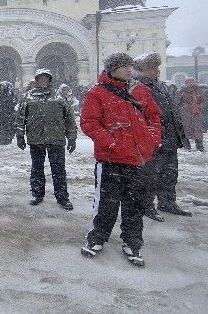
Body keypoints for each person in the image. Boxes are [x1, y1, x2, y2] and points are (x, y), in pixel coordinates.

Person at [80, 53, 161, 267]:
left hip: (137, 159)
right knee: (106, 202)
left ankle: (132, 242)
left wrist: (151, 140)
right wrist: (111, 142)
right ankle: (97, 237)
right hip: (110, 159)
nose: (129, 69)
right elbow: (89, 122)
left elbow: (154, 117)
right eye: (124, 66)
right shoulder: (97, 93)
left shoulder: (141, 91)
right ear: (112, 69)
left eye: (130, 66)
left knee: (134, 204)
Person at [133, 53, 192, 221]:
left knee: (170, 173)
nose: (157, 70)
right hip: (154, 140)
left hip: (170, 139)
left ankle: (167, 202)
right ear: (142, 70)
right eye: (152, 68)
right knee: (150, 176)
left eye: (157, 67)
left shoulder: (160, 85)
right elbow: (141, 116)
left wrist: (179, 135)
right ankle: (146, 205)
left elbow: (171, 112)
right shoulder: (139, 87)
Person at [15, 69, 77, 209]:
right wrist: (20, 136)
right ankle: (37, 194)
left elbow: (69, 118)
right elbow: (20, 118)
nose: (43, 81)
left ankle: (62, 197)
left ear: (50, 80)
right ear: (36, 81)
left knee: (59, 169)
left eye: (46, 78)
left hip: (56, 139)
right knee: (37, 168)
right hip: (36, 139)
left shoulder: (59, 97)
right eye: (40, 79)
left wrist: (72, 137)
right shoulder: (28, 97)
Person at [175, 77, 205, 151]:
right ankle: (186, 146)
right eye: (189, 82)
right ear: (186, 83)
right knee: (185, 129)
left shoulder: (199, 91)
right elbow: (176, 101)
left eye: (192, 82)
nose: (191, 83)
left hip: (196, 113)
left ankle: (200, 146)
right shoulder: (181, 91)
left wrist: (200, 107)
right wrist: (183, 107)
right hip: (185, 113)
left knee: (198, 130)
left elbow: (203, 101)